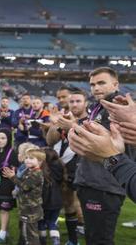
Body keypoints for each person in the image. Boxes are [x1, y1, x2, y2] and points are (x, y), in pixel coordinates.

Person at [73, 67, 126, 244]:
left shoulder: (119, 108)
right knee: (93, 236)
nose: (95, 88)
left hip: (104, 184)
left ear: (115, 84)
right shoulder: (100, 107)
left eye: (101, 83)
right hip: (92, 180)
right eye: (92, 84)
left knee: (100, 239)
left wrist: (73, 128)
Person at [46, 88, 85, 245]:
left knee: (74, 203)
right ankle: (66, 237)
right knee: (61, 201)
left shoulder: (89, 117)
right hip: (58, 166)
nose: (62, 100)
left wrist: (72, 125)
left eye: (65, 97)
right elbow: (50, 141)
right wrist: (54, 124)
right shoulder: (61, 115)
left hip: (78, 166)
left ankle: (77, 235)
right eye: (59, 97)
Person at [3, 148, 45, 245]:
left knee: (30, 235)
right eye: (26, 158)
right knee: (24, 231)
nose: (27, 160)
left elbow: (25, 186)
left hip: (30, 209)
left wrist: (12, 177)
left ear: (39, 161)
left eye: (31, 158)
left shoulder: (36, 174)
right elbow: (21, 181)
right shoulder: (29, 170)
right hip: (26, 207)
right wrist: (15, 175)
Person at [39, 148, 64, 245]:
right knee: (53, 222)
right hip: (57, 202)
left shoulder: (44, 170)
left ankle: (42, 240)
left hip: (45, 202)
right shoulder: (60, 167)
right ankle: (56, 241)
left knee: (42, 222)